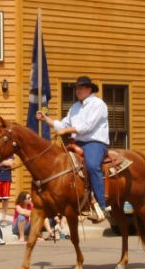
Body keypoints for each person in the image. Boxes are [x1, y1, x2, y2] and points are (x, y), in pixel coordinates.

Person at [37, 76, 109, 223]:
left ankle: (101, 206)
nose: (78, 90)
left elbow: (87, 127)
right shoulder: (75, 107)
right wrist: (46, 119)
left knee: (92, 166)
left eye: (81, 88)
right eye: (77, 88)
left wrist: (65, 131)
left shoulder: (98, 104)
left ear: (89, 89)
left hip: (94, 143)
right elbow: (62, 124)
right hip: (78, 142)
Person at [0, 155, 14, 226]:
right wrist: (4, 162)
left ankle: (3, 219)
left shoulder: (9, 152)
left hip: (6, 175)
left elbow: (10, 163)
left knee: (6, 198)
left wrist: (0, 162)